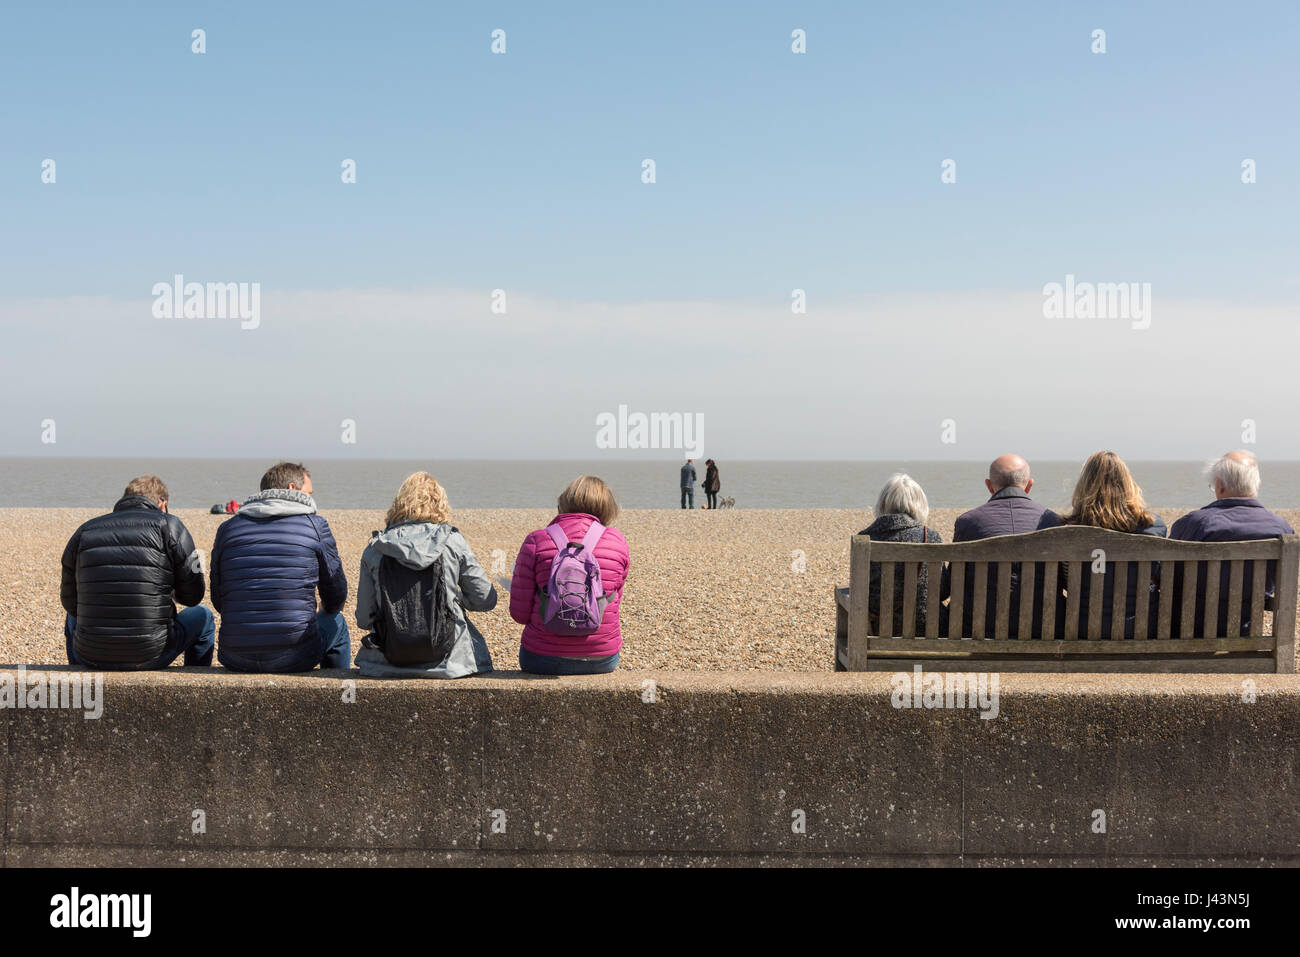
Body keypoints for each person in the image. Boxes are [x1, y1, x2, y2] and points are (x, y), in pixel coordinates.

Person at [60, 475, 213, 669]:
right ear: (162, 503)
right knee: (204, 616)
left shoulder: (85, 530)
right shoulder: (171, 525)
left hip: (90, 653)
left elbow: (69, 601)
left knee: (72, 617)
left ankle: (77, 677)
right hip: (152, 653)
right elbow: (193, 597)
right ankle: (194, 685)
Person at [353, 472, 497, 678]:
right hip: (451, 663)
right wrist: (454, 599)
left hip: (385, 662)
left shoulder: (377, 548)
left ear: (399, 503)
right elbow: (485, 599)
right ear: (440, 503)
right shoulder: (452, 541)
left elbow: (364, 619)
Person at [211, 462, 349, 673]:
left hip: (234, 656)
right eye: (309, 493)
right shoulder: (315, 525)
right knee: (336, 621)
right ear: (292, 489)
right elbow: (336, 596)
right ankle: (337, 693)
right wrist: (320, 610)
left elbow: (219, 599)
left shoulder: (227, 529)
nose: (312, 498)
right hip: (294, 655)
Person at [510, 475, 630, 674]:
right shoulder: (617, 541)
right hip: (601, 658)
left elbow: (519, 614)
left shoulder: (536, 540)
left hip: (541, 657)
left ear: (564, 502)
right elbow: (612, 604)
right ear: (607, 507)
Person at [1169, 451, 1294, 636]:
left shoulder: (1193, 524)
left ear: (1219, 486)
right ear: (1256, 485)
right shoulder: (1281, 529)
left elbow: (1168, 575)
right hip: (1246, 633)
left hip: (1189, 633)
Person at [942, 454, 1061, 638]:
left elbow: (951, 582)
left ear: (989, 486)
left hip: (977, 630)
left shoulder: (968, 522)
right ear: (1029, 485)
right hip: (1044, 629)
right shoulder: (1053, 521)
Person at [1057, 452, 1166, 639]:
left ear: (1084, 486)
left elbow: (1067, 581)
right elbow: (1158, 576)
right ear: (1128, 483)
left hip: (1083, 626)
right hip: (1142, 626)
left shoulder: (1068, 531)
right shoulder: (1153, 526)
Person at [859, 473, 944, 635]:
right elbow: (943, 588)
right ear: (920, 504)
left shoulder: (865, 539)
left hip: (878, 631)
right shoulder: (930, 537)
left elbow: (860, 588)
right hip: (926, 630)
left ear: (882, 503)